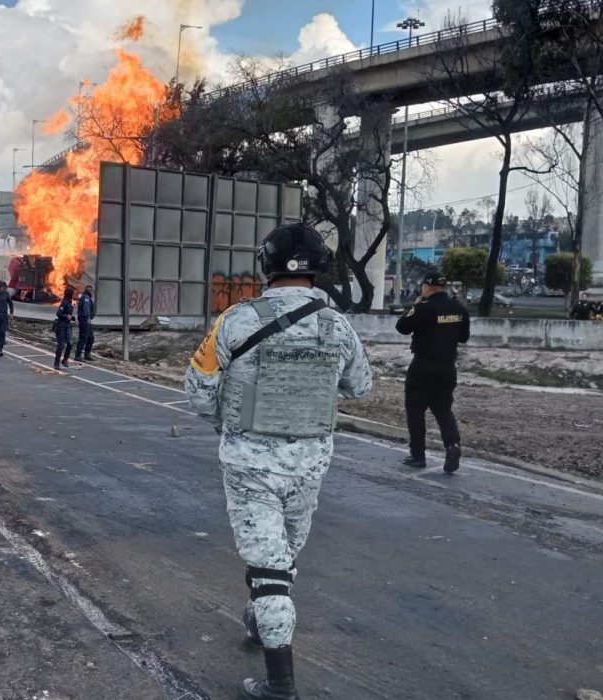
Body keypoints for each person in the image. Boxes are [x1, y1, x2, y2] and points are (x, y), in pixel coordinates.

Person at [184, 222, 372, 700]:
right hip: (310, 464)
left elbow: (199, 389)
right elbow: (360, 386)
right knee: (280, 559)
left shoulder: (237, 320)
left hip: (249, 465)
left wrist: (221, 421)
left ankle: (280, 685)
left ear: (266, 264)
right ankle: (260, 619)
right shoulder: (338, 325)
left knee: (270, 570)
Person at [396, 269, 470, 473]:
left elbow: (401, 327)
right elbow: (464, 337)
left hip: (422, 366)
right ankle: (452, 444)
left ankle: (418, 455)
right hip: (447, 368)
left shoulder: (424, 307)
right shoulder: (459, 308)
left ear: (427, 287)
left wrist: (417, 305)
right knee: (443, 409)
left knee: (415, 411)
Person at [54, 286, 75, 370]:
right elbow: (58, 313)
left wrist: (73, 318)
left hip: (68, 325)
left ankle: (65, 359)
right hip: (61, 326)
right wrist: (66, 316)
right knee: (61, 345)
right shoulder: (64, 302)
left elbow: (69, 314)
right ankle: (56, 362)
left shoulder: (70, 302)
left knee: (70, 343)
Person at [75, 284, 96, 362]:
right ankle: (78, 355)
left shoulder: (85, 297)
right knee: (83, 337)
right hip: (85, 320)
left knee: (90, 337)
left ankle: (87, 354)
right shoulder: (86, 298)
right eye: (90, 290)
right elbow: (86, 309)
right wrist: (88, 318)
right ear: (89, 291)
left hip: (85, 320)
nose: (91, 291)